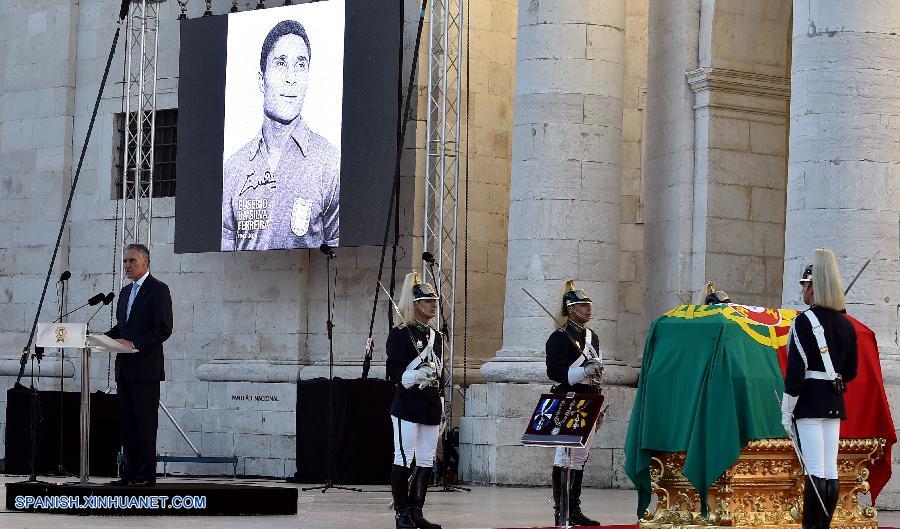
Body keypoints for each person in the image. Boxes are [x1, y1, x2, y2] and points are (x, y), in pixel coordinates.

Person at [222, 19, 339, 251]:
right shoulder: (234, 168)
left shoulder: (329, 162)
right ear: (261, 80)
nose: (291, 78)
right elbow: (226, 247)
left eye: (300, 64)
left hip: (307, 284)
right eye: (281, 63)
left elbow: (338, 251)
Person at [781, 249, 858, 529]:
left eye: (805, 286)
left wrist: (787, 405)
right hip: (834, 401)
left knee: (814, 469)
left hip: (810, 402)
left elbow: (796, 370)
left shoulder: (804, 321)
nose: (803, 291)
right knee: (829, 467)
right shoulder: (846, 324)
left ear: (814, 287)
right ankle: (823, 526)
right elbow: (849, 372)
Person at [105, 244, 173, 487]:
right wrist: (99, 337)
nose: (127, 265)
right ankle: (130, 473)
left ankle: (145, 475)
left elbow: (163, 330)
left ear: (145, 262)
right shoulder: (124, 293)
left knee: (145, 424)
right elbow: (121, 328)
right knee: (128, 424)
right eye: (124, 261)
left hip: (146, 370)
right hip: (124, 369)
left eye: (132, 260)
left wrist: (135, 342)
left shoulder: (158, 290)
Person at [385, 272, 443, 529]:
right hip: (407, 403)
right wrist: (414, 374)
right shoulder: (400, 334)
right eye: (428, 301)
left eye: (434, 301)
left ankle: (417, 510)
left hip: (430, 402)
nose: (433, 305)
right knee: (403, 457)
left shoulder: (436, 336)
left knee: (426, 459)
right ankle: (402, 513)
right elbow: (393, 371)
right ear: (416, 304)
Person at [545, 279, 603, 526]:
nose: (588, 309)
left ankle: (575, 508)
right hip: (569, 398)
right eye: (582, 305)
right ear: (570, 309)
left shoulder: (592, 337)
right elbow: (555, 372)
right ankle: (562, 510)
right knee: (564, 456)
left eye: (588, 305)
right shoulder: (559, 337)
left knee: (581, 456)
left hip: (590, 398)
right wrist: (583, 372)